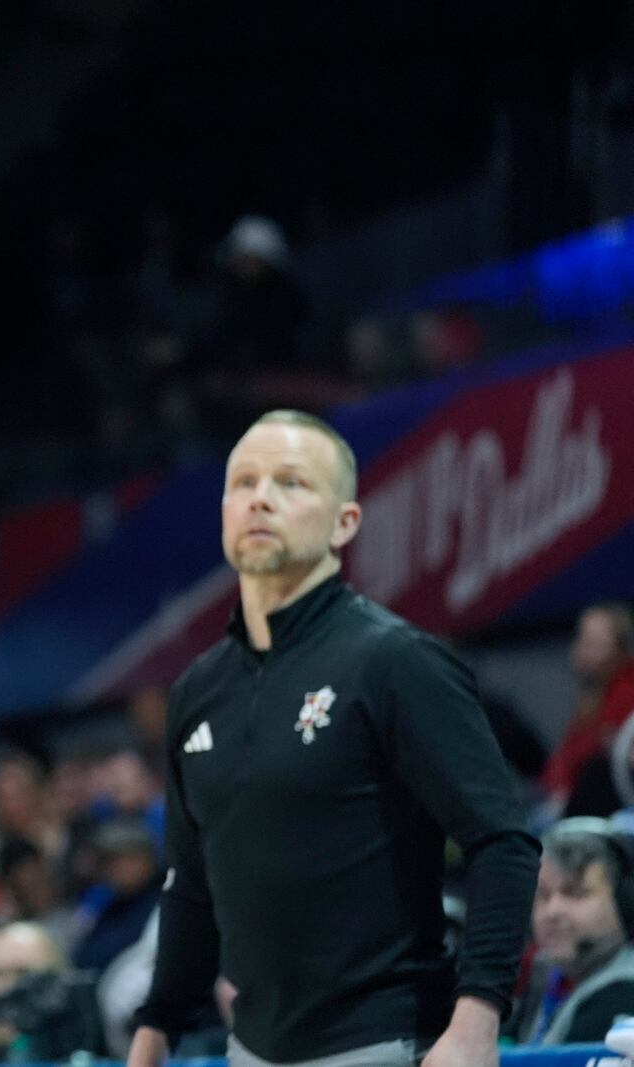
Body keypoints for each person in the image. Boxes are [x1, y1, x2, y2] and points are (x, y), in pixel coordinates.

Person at [126, 410, 540, 1067]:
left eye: (292, 482)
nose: (261, 496)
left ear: (345, 522)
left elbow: (503, 840)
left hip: (385, 1040)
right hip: (251, 1050)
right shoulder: (196, 690)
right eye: (244, 481)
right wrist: (155, 1030)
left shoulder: (396, 662)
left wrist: (476, 1020)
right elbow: (191, 882)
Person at [510, 817, 634, 1044]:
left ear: (625, 902)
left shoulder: (623, 994)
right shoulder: (544, 974)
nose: (552, 911)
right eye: (543, 895)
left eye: (576, 893)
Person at [538, 603, 634, 817]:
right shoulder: (591, 698)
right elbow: (559, 769)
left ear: (619, 648)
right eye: (581, 640)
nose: (580, 652)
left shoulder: (628, 694)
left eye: (593, 644)